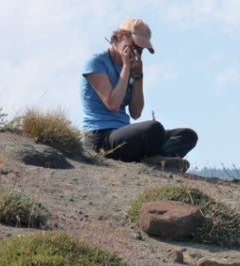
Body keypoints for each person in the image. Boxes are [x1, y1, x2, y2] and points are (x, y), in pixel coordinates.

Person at [81, 18, 197, 170]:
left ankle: (158, 158)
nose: (137, 52)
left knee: (187, 135)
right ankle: (159, 158)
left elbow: (136, 112)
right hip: (100, 137)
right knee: (154, 129)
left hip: (123, 133)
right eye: (134, 46)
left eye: (140, 50)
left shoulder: (130, 71)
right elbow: (113, 104)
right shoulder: (96, 63)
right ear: (121, 37)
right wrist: (126, 69)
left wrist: (138, 75)